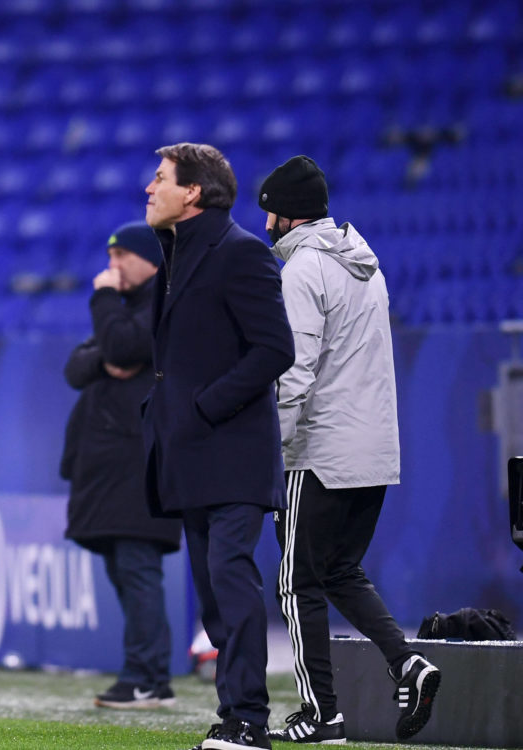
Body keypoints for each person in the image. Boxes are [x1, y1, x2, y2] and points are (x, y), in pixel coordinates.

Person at [258, 155, 441, 744]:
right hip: (374, 449)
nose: (264, 226)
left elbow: (295, 371)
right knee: (339, 570)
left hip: (321, 450)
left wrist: (273, 450)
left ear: (289, 216)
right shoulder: (366, 267)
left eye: (269, 215)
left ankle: (322, 714)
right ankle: (405, 661)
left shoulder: (305, 271)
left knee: (296, 584)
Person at [139, 143, 295, 750]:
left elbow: (274, 349)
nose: (149, 189)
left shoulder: (241, 253)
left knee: (231, 582)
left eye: (160, 179)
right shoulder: (177, 255)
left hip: (231, 451)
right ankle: (234, 714)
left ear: (193, 193)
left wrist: (205, 406)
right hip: (191, 452)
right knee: (212, 595)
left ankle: (250, 722)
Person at [60, 221, 183, 710]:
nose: (111, 269)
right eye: (109, 259)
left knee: (137, 568)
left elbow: (123, 347)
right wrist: (106, 349)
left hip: (139, 464)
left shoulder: (162, 301)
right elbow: (78, 365)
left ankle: (144, 676)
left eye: (121, 258)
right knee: (125, 570)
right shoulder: (128, 308)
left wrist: (105, 309)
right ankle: (151, 675)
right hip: (110, 468)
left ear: (149, 258)